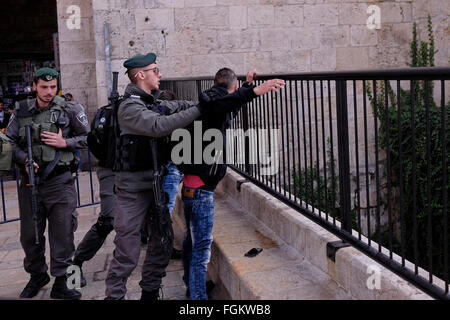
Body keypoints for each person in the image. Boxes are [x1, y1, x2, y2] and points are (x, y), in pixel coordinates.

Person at [104, 52, 208, 300]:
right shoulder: (129, 106)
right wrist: (200, 109)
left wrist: (212, 100)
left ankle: (149, 293)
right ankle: (114, 296)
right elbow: (158, 126)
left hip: (154, 186)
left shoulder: (150, 101)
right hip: (131, 191)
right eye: (155, 70)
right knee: (127, 251)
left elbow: (178, 106)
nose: (160, 75)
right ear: (141, 75)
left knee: (162, 242)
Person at [177, 68, 285, 300]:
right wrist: (255, 91)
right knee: (201, 249)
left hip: (192, 185)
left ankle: (191, 285)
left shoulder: (213, 102)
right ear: (232, 88)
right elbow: (226, 105)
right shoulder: (213, 105)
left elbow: (229, 107)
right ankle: (197, 299)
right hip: (200, 191)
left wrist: (246, 86)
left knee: (190, 241)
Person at [6, 67, 90, 300]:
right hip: (30, 183)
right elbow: (8, 141)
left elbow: (89, 138)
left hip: (60, 182)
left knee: (63, 234)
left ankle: (67, 282)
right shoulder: (22, 110)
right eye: (44, 87)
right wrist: (24, 159)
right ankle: (37, 275)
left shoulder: (70, 108)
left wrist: (65, 143)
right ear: (34, 86)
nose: (49, 92)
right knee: (29, 236)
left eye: (53, 87)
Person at [140, 89, 183, 260]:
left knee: (154, 205)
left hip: (155, 168)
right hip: (170, 168)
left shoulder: (151, 119)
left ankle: (146, 234)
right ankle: (163, 247)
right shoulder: (173, 123)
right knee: (166, 209)